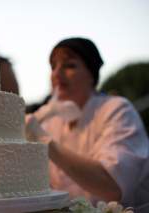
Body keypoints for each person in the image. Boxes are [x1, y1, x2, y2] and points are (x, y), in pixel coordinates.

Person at [25, 37, 149, 207]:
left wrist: (43, 140)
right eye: (53, 66)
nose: (57, 74)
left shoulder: (117, 110)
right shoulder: (51, 122)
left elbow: (112, 187)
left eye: (69, 65)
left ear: (91, 74)